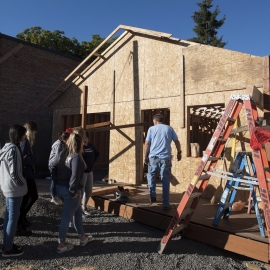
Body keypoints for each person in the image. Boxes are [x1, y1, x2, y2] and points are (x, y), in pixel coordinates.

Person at [52, 133, 91, 253]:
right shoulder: (76, 157)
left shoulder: (63, 154)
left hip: (61, 188)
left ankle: (83, 238)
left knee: (78, 212)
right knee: (66, 217)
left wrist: (56, 184)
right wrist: (73, 191)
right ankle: (61, 245)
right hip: (70, 191)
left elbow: (52, 166)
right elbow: (74, 176)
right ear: (79, 143)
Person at [143, 114, 182, 210]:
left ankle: (153, 195)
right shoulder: (169, 129)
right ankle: (166, 204)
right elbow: (177, 141)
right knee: (165, 180)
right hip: (166, 158)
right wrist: (179, 152)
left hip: (153, 158)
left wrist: (145, 156)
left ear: (154, 121)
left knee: (151, 175)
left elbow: (147, 143)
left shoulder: (151, 129)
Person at [0, 125, 27, 257]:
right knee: (12, 218)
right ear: (19, 135)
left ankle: (7, 244)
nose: (26, 136)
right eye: (24, 134)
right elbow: (15, 173)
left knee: (8, 217)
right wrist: (23, 185)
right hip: (14, 189)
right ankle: (8, 248)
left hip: (7, 187)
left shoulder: (6, 148)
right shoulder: (14, 150)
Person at [17, 121, 39, 236]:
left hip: (30, 173)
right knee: (29, 198)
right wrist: (34, 159)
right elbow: (25, 159)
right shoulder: (25, 143)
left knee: (32, 197)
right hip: (27, 174)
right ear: (32, 131)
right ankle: (19, 222)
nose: (36, 133)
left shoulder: (27, 143)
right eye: (35, 130)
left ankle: (22, 218)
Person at [48, 132, 70, 205]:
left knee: (55, 180)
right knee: (54, 181)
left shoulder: (61, 143)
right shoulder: (58, 144)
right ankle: (53, 197)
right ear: (63, 139)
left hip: (56, 164)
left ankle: (56, 196)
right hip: (53, 165)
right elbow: (58, 156)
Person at [81, 131, 100, 215]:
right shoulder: (80, 148)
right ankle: (78, 209)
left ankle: (84, 206)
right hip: (82, 172)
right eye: (83, 138)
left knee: (88, 190)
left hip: (90, 171)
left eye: (86, 138)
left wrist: (92, 162)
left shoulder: (91, 146)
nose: (85, 140)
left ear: (88, 139)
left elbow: (97, 154)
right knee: (81, 190)